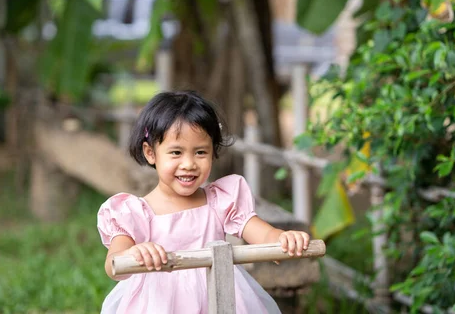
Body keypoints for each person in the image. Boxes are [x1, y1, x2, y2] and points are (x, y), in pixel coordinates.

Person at [97, 90, 310, 314]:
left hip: (219, 296)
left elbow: (264, 235)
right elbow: (114, 264)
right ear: (151, 153)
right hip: (158, 304)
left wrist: (283, 239)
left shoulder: (221, 201)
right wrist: (135, 253)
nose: (189, 164)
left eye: (200, 152)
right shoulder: (133, 212)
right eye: (176, 152)